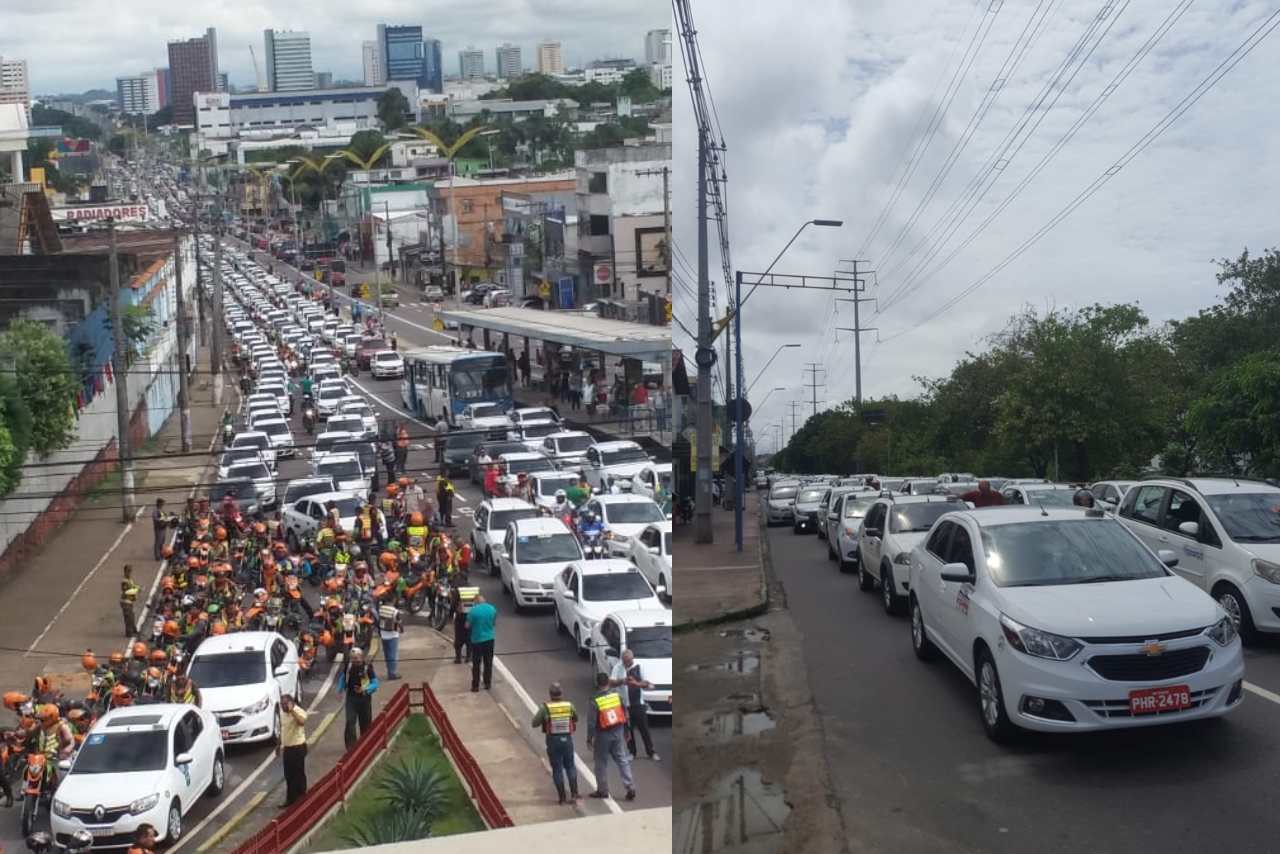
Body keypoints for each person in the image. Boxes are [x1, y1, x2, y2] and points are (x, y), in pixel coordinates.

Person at [586, 671, 635, 801]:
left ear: (597, 683)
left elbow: (591, 722)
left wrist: (589, 738)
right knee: (622, 759)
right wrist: (627, 731)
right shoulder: (617, 696)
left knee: (601, 762)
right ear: (608, 682)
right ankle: (630, 786)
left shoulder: (595, 700)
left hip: (602, 735)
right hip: (618, 731)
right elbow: (625, 714)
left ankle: (602, 790)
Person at [531, 682, 580, 805]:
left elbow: (534, 723)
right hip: (567, 739)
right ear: (561, 694)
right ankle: (574, 794)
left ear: (550, 695)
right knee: (570, 766)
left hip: (553, 741)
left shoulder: (545, 708)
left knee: (557, 769)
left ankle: (562, 798)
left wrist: (545, 719)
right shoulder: (569, 706)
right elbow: (576, 718)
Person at [612, 649, 658, 761]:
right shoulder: (618, 667)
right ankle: (632, 752)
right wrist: (622, 681)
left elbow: (647, 683)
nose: (626, 664)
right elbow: (611, 682)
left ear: (632, 659)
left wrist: (636, 683)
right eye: (624, 661)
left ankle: (651, 752)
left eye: (628, 661)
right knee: (628, 730)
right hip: (624, 704)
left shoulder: (639, 666)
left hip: (638, 703)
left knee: (644, 729)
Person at [336, 647, 379, 749]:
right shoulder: (349, 667)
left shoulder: (367, 668)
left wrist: (365, 690)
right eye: (352, 658)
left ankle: (366, 744)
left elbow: (375, 684)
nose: (355, 660)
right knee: (350, 722)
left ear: (361, 657)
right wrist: (339, 690)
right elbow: (343, 677)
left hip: (364, 699)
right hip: (351, 698)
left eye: (356, 658)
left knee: (365, 724)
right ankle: (351, 747)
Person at [278, 693, 308, 807]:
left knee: (298, 774)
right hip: (288, 748)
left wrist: (292, 711)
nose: (283, 706)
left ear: (291, 703)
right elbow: (282, 730)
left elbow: (302, 722)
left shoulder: (298, 711)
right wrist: (278, 745)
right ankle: (290, 799)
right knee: (288, 775)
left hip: (298, 747)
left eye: (285, 704)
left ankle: (301, 797)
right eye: (282, 704)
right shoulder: (282, 714)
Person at [465, 592, 496, 692]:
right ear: (484, 600)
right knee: (488, 663)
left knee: (476, 664)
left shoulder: (473, 611)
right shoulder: (492, 609)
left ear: (475, 602)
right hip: (490, 639)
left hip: (477, 640)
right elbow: (493, 623)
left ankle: (475, 686)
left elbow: (467, 626)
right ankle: (487, 683)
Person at [378, 601, 403, 680]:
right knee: (393, 655)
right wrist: (401, 629)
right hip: (393, 635)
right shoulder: (395, 611)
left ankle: (389, 671)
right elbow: (399, 622)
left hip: (383, 635)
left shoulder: (381, 609)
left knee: (387, 655)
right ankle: (392, 674)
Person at [120, 564, 140, 638]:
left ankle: (133, 630)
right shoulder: (124, 581)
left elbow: (133, 586)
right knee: (129, 617)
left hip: (130, 601)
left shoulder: (130, 580)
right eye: (128, 571)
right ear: (125, 572)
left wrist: (138, 588)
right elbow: (126, 591)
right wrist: (136, 590)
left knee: (132, 616)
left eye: (130, 571)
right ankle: (129, 633)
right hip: (125, 601)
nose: (129, 573)